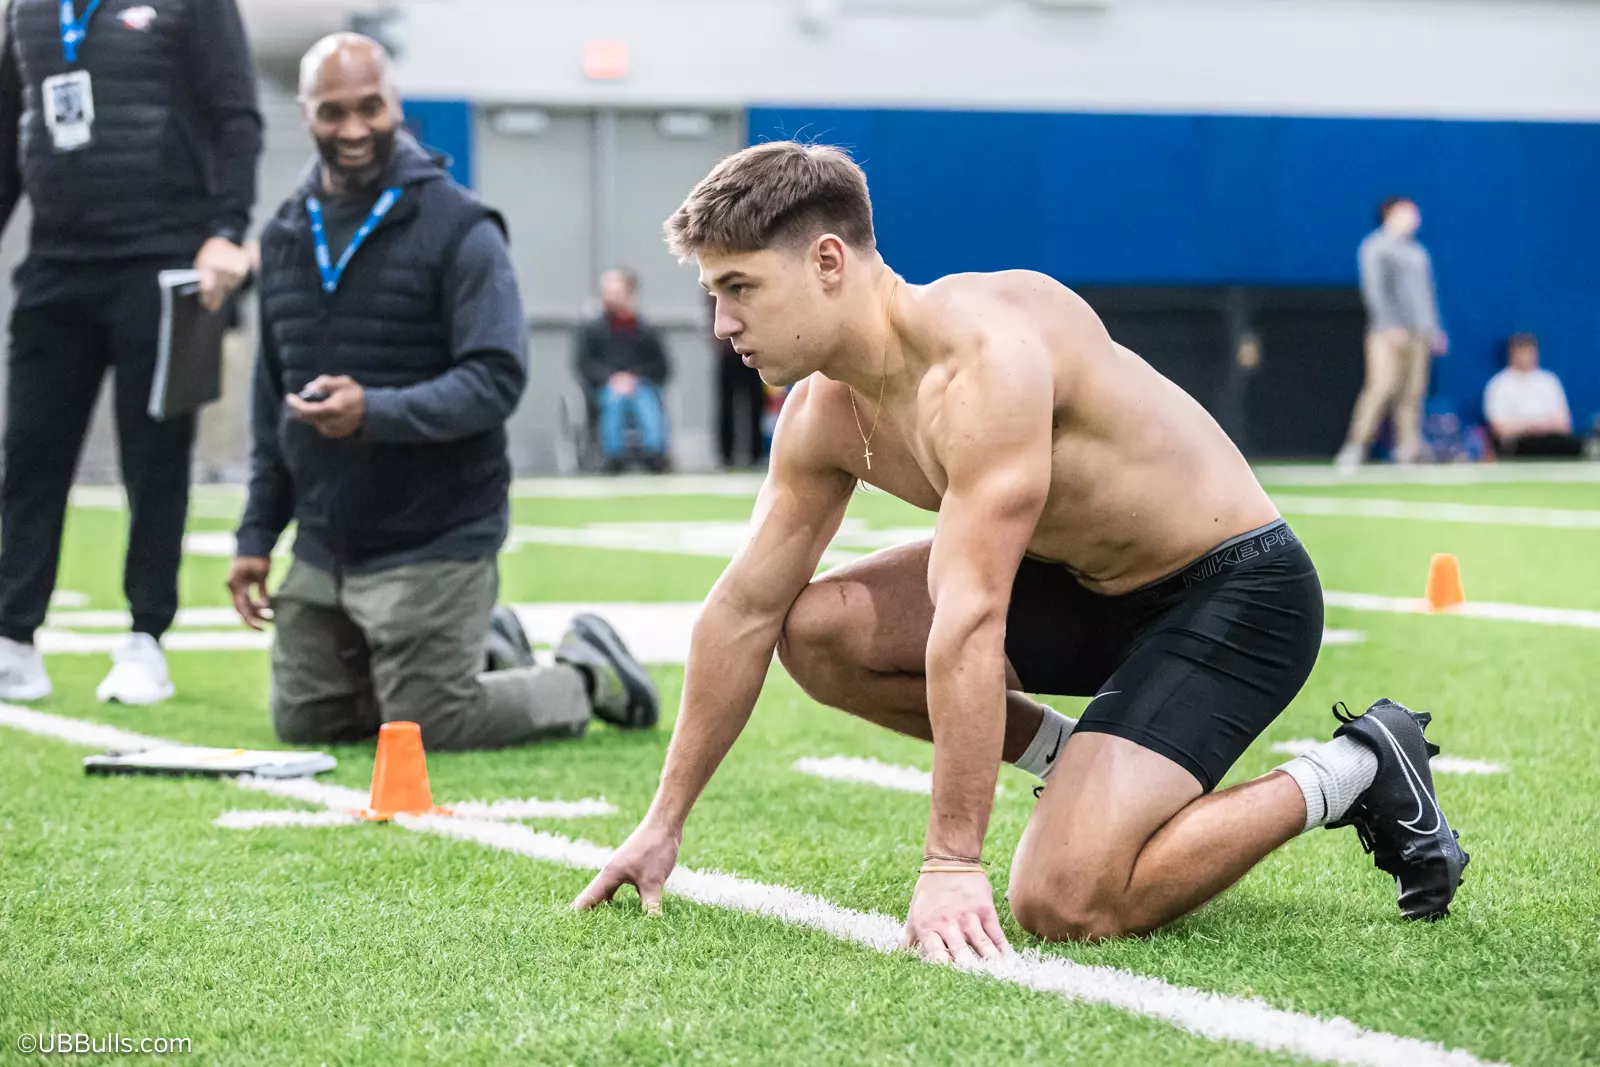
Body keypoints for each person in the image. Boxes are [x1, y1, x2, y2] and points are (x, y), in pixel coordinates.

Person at [572, 143, 1469, 957]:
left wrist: (951, 861)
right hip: (1082, 585)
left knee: (1063, 899)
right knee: (817, 630)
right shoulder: (820, 414)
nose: (721, 322)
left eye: (739, 287)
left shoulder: (984, 358)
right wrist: (664, 821)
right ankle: (1076, 768)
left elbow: (970, 620)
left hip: (1233, 592)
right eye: (713, 293)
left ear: (828, 261)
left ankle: (1357, 765)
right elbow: (744, 610)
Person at [226, 35, 658, 751]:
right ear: (306, 114)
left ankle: (583, 673)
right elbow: (273, 399)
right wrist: (254, 537)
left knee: (432, 723)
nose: (355, 128)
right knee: (307, 721)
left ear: (395, 103)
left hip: (435, 532)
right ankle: (484, 650)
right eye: (334, 113)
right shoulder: (282, 236)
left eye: (371, 107)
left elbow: (496, 379)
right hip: (327, 540)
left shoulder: (460, 226)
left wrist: (374, 411)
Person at [0, 0, 262, 704]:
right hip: (56, 263)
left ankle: (146, 637)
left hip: (166, 260)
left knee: (155, 459)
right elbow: (7, 129)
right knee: (29, 453)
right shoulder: (26, 10)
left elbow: (236, 113)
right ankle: (13, 638)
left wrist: (228, 227)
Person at [1336, 196, 1448, 473]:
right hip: (1386, 333)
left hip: (1419, 332)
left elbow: (1427, 296)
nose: (1415, 217)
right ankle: (1355, 446)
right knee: (1381, 386)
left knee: (1413, 392)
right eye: (1408, 211)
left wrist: (1434, 329)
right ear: (1390, 213)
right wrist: (1388, 325)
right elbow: (1374, 290)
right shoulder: (1375, 247)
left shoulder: (1418, 252)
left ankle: (1408, 450)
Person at [576, 267, 671, 472]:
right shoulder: (592, 330)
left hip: (641, 385)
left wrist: (635, 378)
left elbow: (661, 366)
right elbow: (584, 364)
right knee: (614, 400)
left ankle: (653, 453)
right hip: (606, 387)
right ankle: (614, 457)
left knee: (645, 400)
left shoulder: (646, 330)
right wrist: (612, 378)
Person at [1482, 334, 1582, 458]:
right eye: (1521, 352)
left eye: (1529, 352)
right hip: (1519, 443)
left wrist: (1541, 428)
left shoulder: (1549, 381)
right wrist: (1530, 428)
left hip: (1551, 440)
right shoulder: (1499, 384)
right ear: (1512, 354)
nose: (1525, 357)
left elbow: (1564, 423)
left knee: (1574, 444)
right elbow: (1499, 428)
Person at [712, 294, 767, 468]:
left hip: (752, 348)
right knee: (726, 405)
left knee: (756, 403)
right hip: (728, 353)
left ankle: (755, 454)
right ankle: (726, 455)